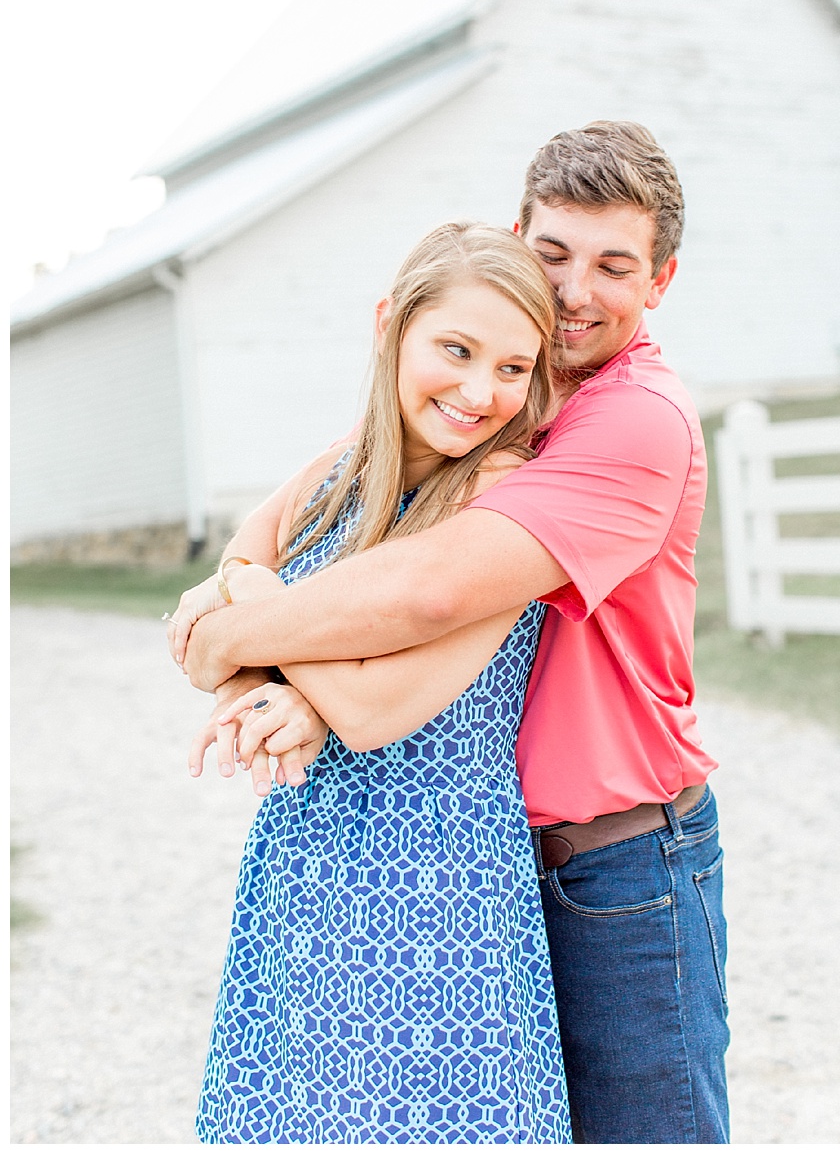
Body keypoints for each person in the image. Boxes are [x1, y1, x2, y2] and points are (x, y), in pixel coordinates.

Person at [172, 121, 728, 1144]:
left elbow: (426, 595)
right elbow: (274, 544)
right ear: (519, 239)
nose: (573, 289)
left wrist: (237, 632)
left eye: (613, 265)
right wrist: (254, 664)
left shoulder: (628, 420)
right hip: (489, 849)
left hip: (616, 863)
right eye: (553, 253)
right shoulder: (499, 395)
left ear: (661, 279)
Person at [182, 221, 570, 1142]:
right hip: (305, 856)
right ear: (392, 325)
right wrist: (269, 681)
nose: (481, 392)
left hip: (436, 874)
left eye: (513, 369)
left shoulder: (501, 496)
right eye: (457, 349)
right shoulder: (338, 469)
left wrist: (261, 611)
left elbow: (371, 709)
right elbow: (199, 648)